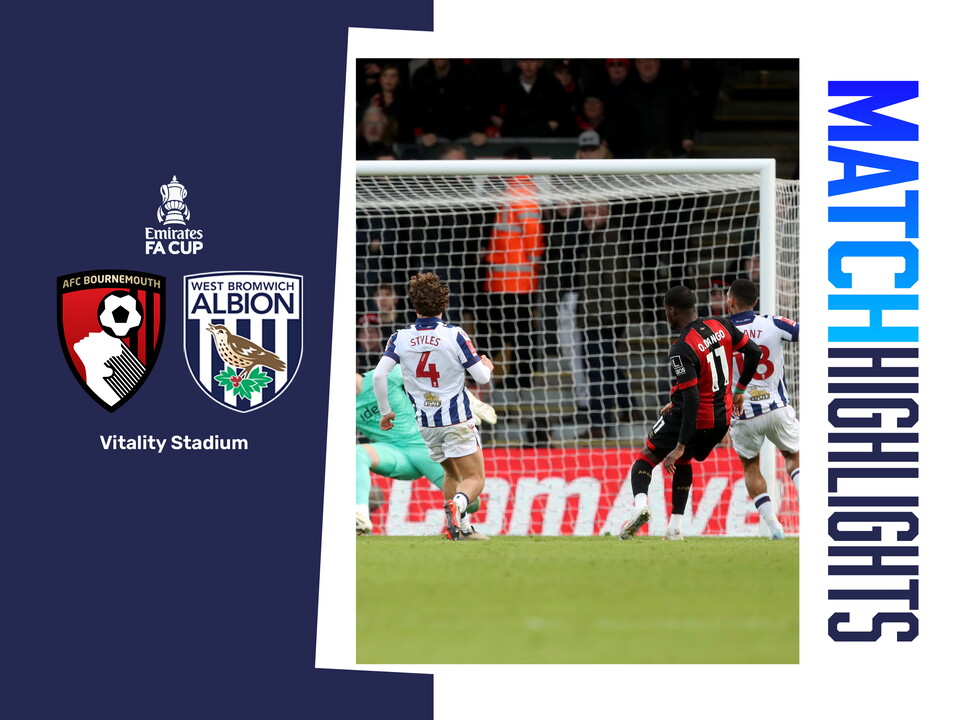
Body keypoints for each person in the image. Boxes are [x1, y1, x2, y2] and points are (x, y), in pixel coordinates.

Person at [619, 285, 762, 540]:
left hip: (695, 416)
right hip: (722, 420)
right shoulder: (721, 324)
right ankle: (675, 528)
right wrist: (739, 389)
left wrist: (681, 443)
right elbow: (754, 352)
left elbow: (693, 397)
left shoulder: (682, 347)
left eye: (666, 310)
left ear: (672, 311)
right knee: (684, 463)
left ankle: (640, 509)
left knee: (647, 456)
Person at [373, 272, 495, 540]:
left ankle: (459, 529)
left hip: (426, 424)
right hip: (457, 419)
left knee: (451, 474)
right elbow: (481, 377)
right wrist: (487, 365)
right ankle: (458, 506)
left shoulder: (399, 338)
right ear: (444, 305)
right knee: (475, 479)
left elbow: (379, 375)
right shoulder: (455, 335)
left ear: (414, 306)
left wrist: (385, 411)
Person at [356, 365, 490, 539]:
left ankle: (462, 525)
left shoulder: (382, 376)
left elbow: (425, 374)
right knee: (356, 453)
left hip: (427, 449)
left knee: (471, 503)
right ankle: (360, 516)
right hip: (394, 455)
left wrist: (469, 400)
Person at [726, 278, 800, 540]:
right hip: (777, 407)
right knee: (793, 457)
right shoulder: (773, 322)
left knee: (750, 466)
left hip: (743, 412)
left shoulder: (721, 332)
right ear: (755, 302)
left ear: (730, 301)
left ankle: (774, 526)